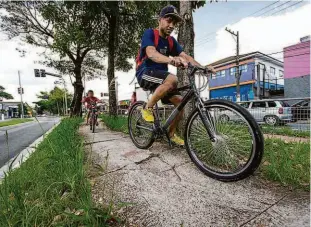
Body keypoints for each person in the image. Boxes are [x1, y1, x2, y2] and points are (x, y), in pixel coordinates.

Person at [135, 5, 215, 146]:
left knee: (180, 103)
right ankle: (147, 108)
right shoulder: (150, 34)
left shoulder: (171, 41)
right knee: (173, 79)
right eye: (168, 21)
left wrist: (203, 68)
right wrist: (171, 60)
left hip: (161, 78)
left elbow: (185, 56)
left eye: (174, 23)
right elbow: (151, 53)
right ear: (160, 20)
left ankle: (170, 134)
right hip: (145, 73)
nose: (171, 25)